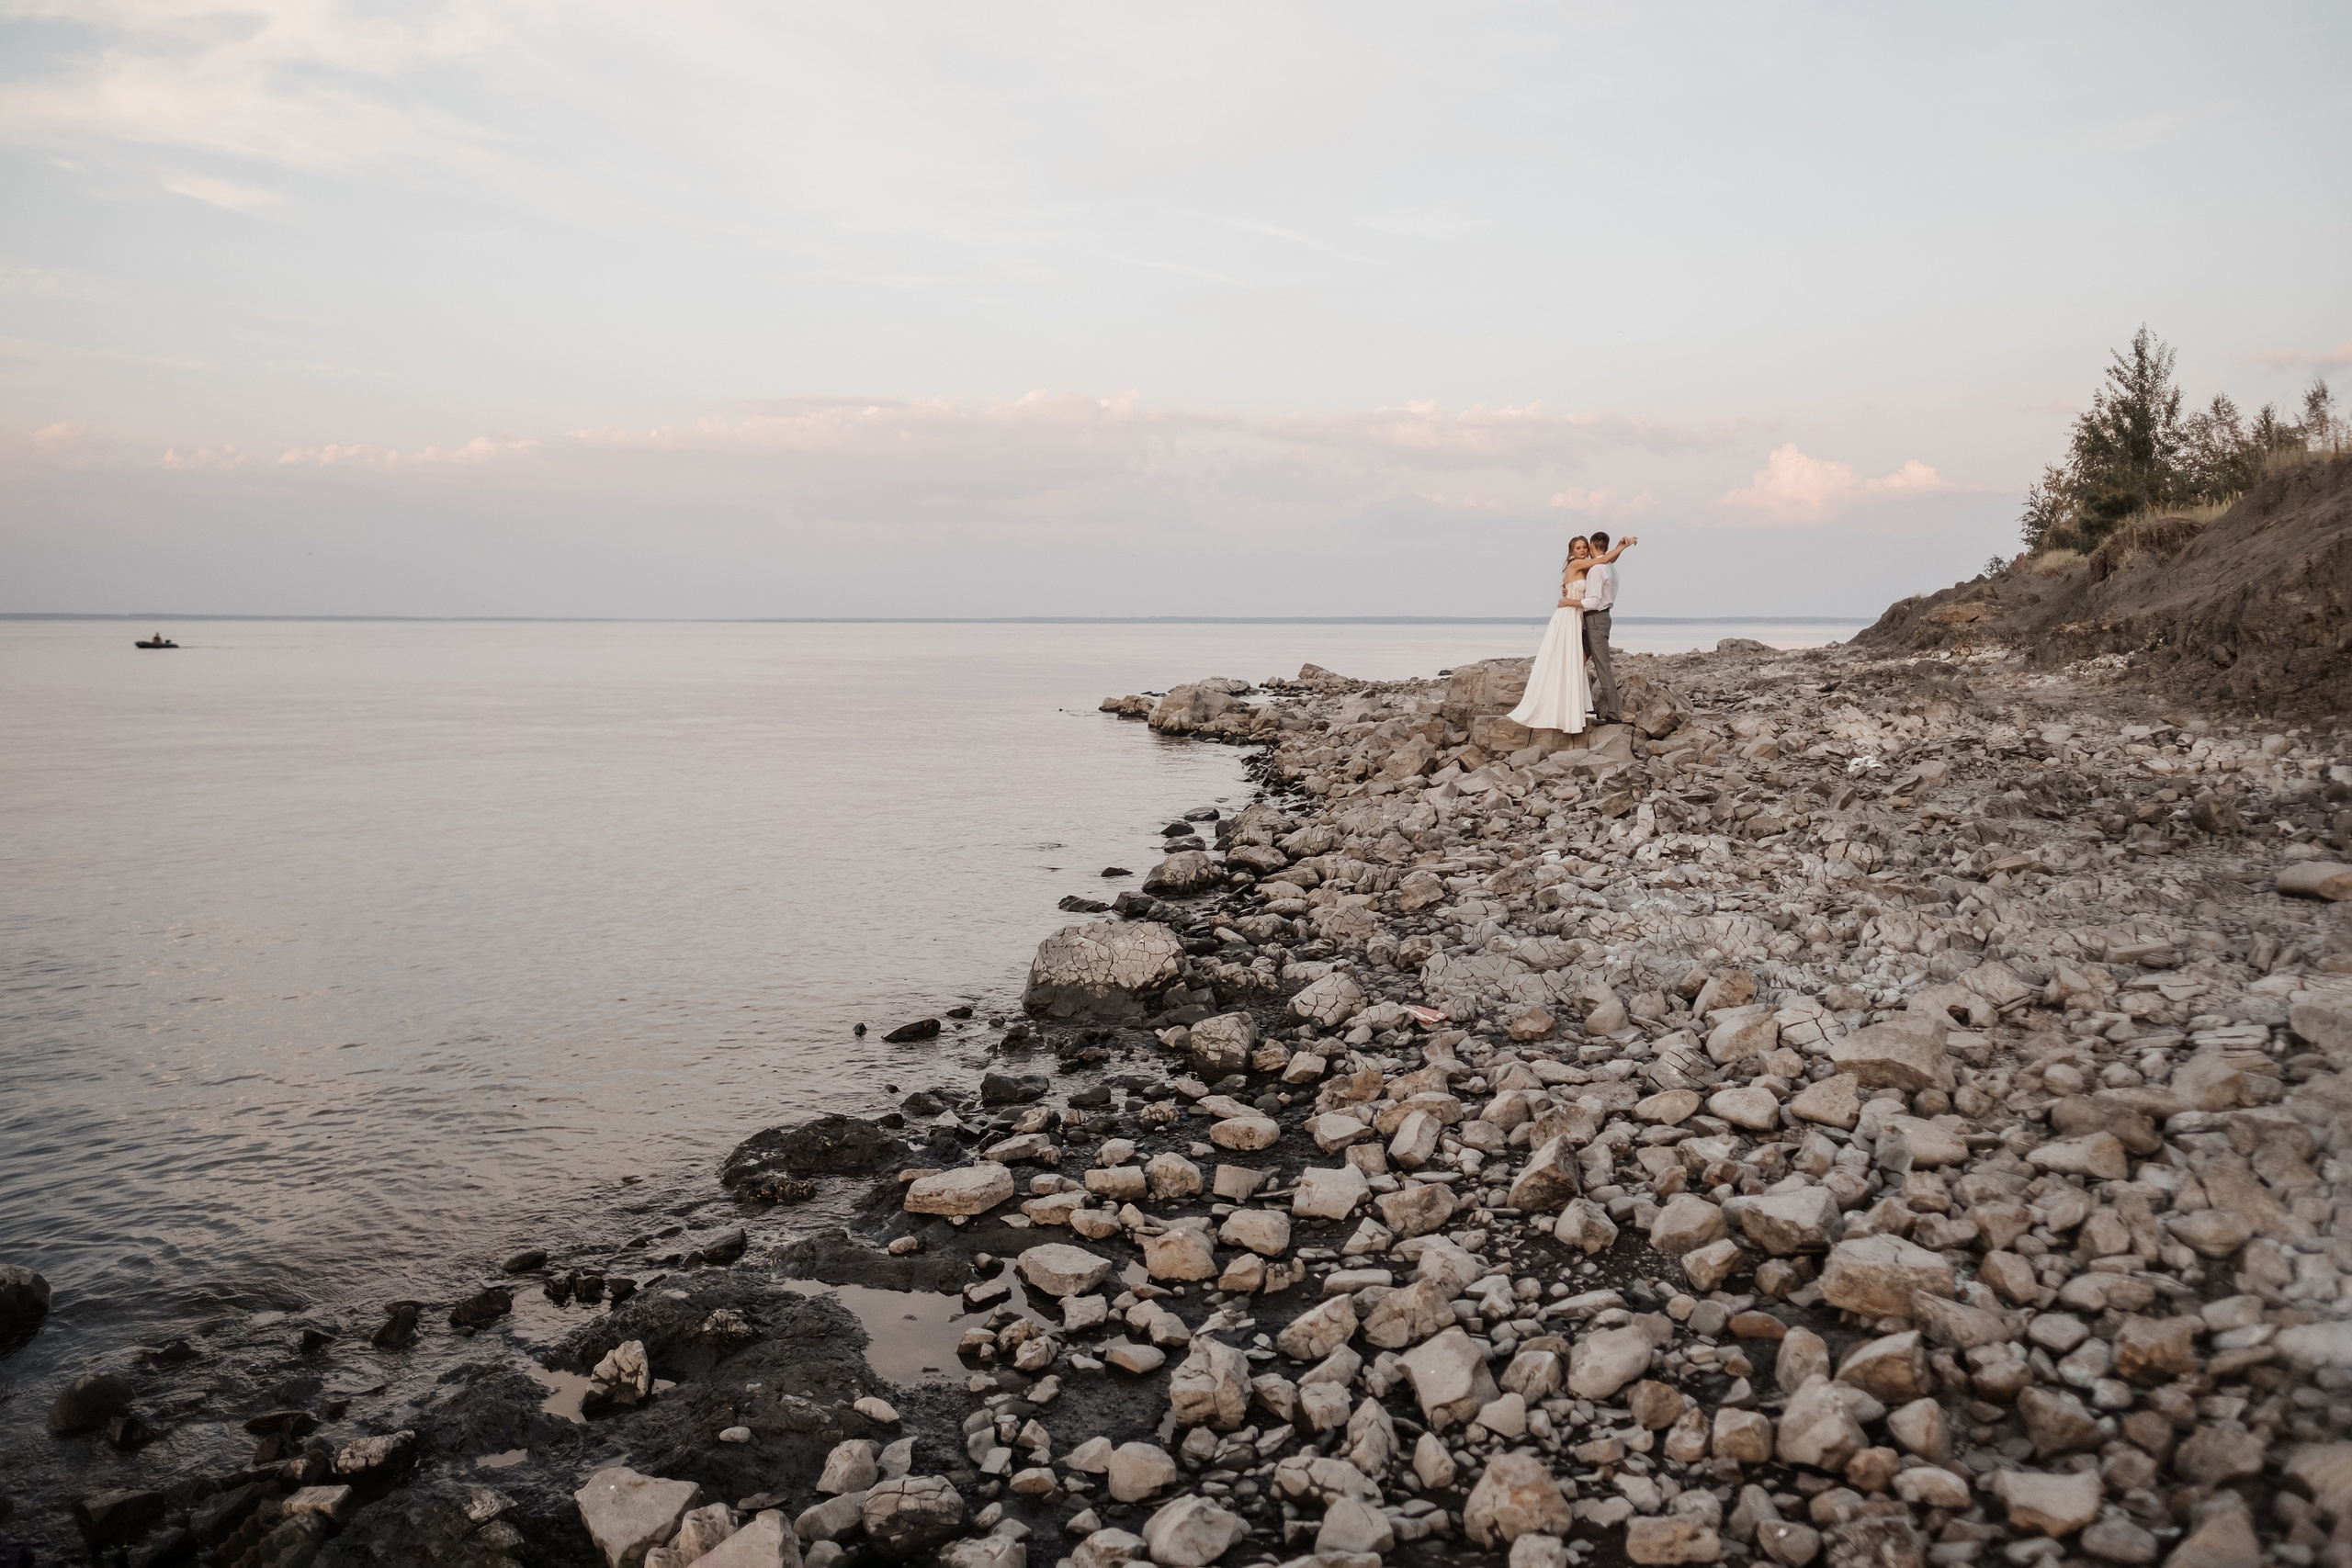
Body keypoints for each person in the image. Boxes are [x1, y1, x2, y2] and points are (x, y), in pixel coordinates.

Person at [1505, 534, 1635, 735]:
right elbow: (1603, 560)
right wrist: (1622, 547)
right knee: (1569, 660)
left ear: (1590, 547)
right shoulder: (1577, 566)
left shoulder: (1592, 566)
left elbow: (1604, 560)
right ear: (1571, 552)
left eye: (1584, 547)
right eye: (1578, 548)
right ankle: (1562, 705)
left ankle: (1576, 705)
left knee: (1577, 661)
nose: (1582, 550)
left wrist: (1620, 547)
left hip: (1582, 617)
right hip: (1571, 617)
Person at [1580, 530, 1631, 725]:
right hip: (1600, 619)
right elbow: (1613, 559)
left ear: (1592, 547)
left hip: (1596, 618)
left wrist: (1569, 602)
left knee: (1602, 667)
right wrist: (1622, 547)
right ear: (1607, 548)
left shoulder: (1596, 570)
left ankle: (1614, 715)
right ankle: (1580, 705)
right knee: (1578, 660)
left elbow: (1593, 601)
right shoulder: (1609, 566)